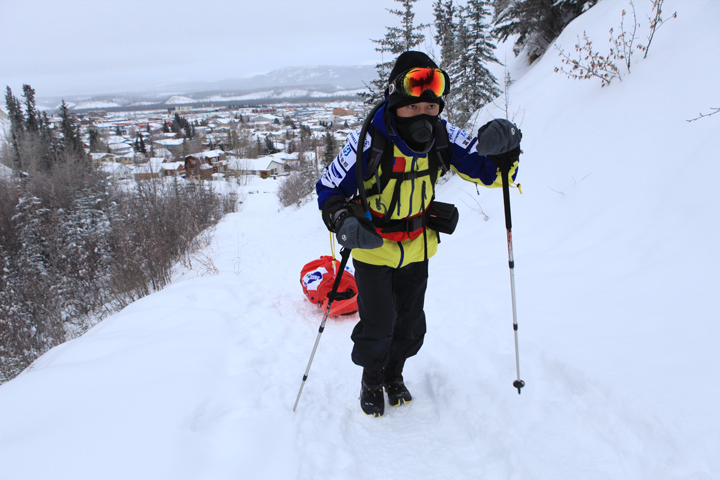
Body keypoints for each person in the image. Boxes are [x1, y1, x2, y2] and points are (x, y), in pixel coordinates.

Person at [316, 51, 521, 417]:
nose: (422, 116)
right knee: (379, 325)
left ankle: (395, 374)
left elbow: (494, 174)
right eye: (412, 108)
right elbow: (328, 189)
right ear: (394, 101)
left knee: (410, 325)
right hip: (373, 247)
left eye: (430, 106)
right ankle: (372, 378)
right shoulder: (369, 139)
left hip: (417, 246)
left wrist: (507, 148)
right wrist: (342, 220)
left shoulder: (442, 134)